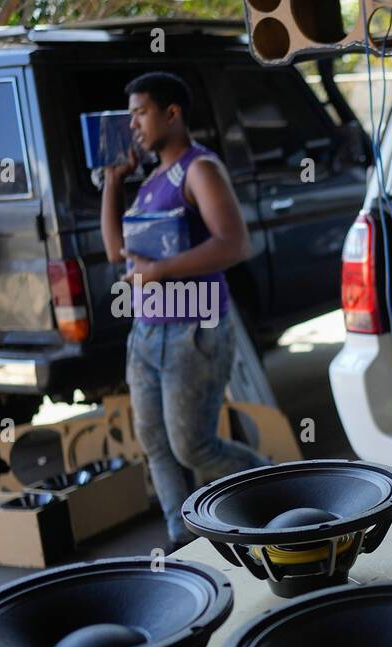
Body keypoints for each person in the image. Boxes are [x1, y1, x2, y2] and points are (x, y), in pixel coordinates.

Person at [100, 71, 267, 548]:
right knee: (155, 445)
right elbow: (117, 251)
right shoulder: (151, 179)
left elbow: (235, 243)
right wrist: (114, 181)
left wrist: (159, 272)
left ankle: (274, 481)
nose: (132, 123)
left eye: (140, 112)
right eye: (129, 114)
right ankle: (183, 539)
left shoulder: (199, 168)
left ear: (171, 114)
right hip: (148, 333)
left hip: (193, 329)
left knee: (192, 446)